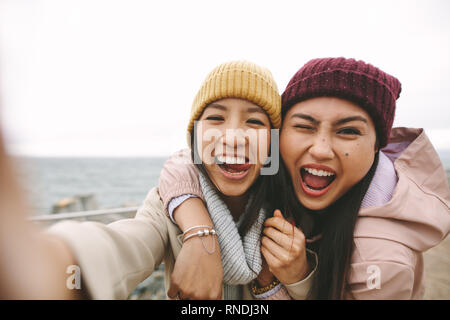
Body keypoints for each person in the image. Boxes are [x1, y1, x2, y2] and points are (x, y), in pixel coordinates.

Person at [0, 60, 314, 299]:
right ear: (194, 138)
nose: (233, 137)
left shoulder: (293, 206)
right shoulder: (167, 204)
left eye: (255, 122)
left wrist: (298, 275)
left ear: (273, 143)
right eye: (216, 117)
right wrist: (49, 264)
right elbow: (126, 245)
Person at [158, 57, 450, 299]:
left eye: (348, 131)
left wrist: (289, 280)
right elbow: (185, 161)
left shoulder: (381, 260)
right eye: (304, 126)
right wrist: (198, 232)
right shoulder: (274, 170)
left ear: (377, 147)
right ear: (280, 134)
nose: (321, 150)